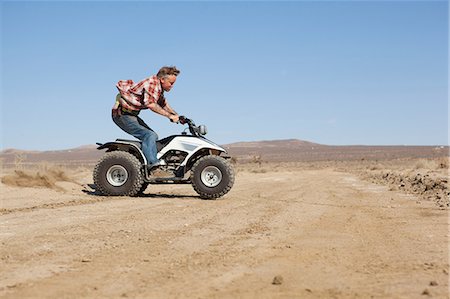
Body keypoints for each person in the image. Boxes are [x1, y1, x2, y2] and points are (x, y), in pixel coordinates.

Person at [112, 66, 180, 170]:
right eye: (171, 83)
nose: (172, 86)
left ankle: (149, 159)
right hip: (122, 115)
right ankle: (153, 165)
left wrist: (177, 115)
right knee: (149, 135)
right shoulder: (151, 84)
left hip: (131, 115)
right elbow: (151, 105)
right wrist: (169, 116)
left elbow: (163, 103)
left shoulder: (159, 88)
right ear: (162, 79)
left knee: (153, 136)